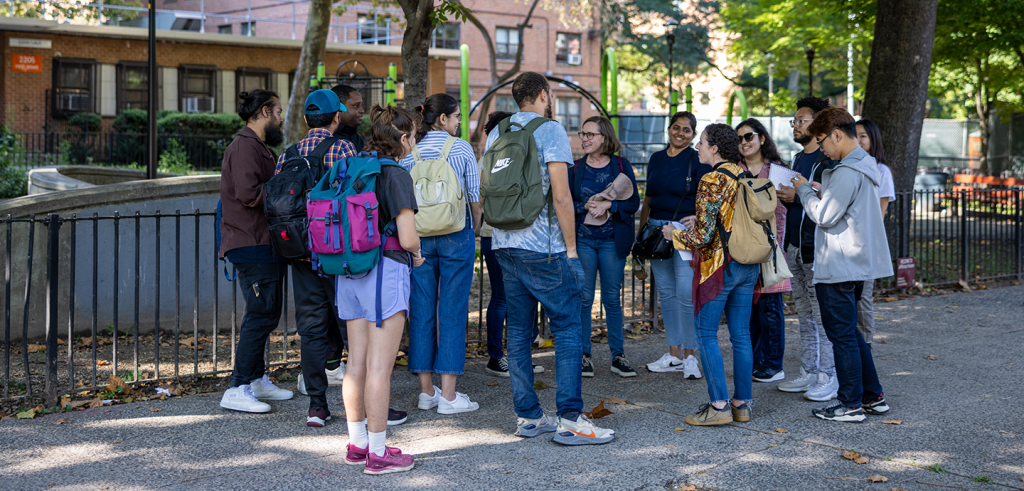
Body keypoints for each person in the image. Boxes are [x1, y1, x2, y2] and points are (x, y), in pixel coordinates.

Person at [486, 72, 615, 445]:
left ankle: (528, 417)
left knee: (520, 331)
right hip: (543, 246)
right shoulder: (551, 130)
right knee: (569, 327)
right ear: (543, 94)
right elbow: (561, 196)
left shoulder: (498, 132)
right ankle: (571, 419)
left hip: (504, 242)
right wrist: (572, 249)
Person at [337, 104, 425, 473]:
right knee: (379, 368)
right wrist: (418, 254)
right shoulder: (397, 175)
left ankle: (357, 444)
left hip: (349, 272)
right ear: (404, 138)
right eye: (414, 136)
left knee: (354, 365)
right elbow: (407, 238)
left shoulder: (353, 169)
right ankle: (378, 452)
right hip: (385, 272)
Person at [792, 106, 893, 423]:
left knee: (843, 336)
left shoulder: (847, 170)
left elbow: (824, 216)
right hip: (856, 261)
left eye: (822, 141)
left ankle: (849, 403)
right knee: (851, 333)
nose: (822, 148)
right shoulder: (863, 164)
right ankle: (872, 396)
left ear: (837, 134)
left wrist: (805, 191)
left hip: (839, 262)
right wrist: (825, 191)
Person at [276, 89, 358, 427]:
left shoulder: (288, 154)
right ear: (337, 117)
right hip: (336, 253)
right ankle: (363, 404)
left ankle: (317, 406)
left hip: (300, 253)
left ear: (307, 119)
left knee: (311, 328)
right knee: (352, 326)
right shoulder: (343, 148)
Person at [668, 124, 759, 426]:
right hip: (748, 263)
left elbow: (704, 236)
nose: (698, 146)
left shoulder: (712, 178)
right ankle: (742, 404)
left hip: (720, 267)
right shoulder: (745, 175)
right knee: (741, 335)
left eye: (702, 142)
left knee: (705, 333)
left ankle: (718, 405)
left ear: (715, 148)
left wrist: (674, 236)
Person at [400, 93, 485, 414]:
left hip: (419, 236)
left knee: (420, 309)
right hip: (454, 233)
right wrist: (473, 229)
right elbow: (475, 197)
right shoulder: (461, 148)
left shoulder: (412, 152)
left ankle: (426, 392)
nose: (460, 122)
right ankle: (449, 395)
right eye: (457, 116)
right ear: (444, 119)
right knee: (452, 310)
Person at [219, 89, 294, 413]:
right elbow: (249, 193)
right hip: (251, 243)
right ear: (264, 111)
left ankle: (255, 379)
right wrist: (287, 184)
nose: (280, 118)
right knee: (260, 314)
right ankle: (237, 387)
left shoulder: (255, 146)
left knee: (266, 313)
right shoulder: (245, 147)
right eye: (277, 111)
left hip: (262, 243)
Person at [775, 97, 839, 403]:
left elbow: (828, 201)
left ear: (817, 124)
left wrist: (797, 195)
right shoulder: (799, 158)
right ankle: (810, 370)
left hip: (818, 249)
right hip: (795, 246)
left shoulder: (828, 161)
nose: (796, 125)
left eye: (801, 120)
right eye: (795, 121)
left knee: (822, 313)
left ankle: (829, 375)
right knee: (804, 314)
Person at [570, 116, 640, 378]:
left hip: (612, 242)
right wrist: (585, 206)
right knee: (585, 299)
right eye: (583, 134)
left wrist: (611, 205)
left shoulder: (621, 165)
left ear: (604, 138)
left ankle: (618, 356)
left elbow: (633, 203)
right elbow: (565, 203)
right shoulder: (575, 168)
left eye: (590, 134)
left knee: (612, 299)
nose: (585, 138)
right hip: (584, 241)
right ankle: (584, 355)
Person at [640, 111, 708, 378]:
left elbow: (705, 199)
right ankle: (675, 353)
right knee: (666, 294)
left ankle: (691, 355)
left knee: (685, 293)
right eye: (676, 128)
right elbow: (648, 198)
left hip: (682, 233)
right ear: (669, 129)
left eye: (687, 130)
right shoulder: (656, 159)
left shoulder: (696, 159)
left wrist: (698, 222)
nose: (680, 133)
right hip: (657, 232)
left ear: (693, 134)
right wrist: (641, 234)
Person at [479, 111, 544, 377]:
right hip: (504, 234)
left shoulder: (491, 156)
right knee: (505, 298)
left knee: (510, 297)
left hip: (497, 233)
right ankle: (497, 357)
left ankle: (511, 357)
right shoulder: (509, 155)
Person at [735, 119, 791, 383]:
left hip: (770, 249)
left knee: (770, 309)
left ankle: (773, 364)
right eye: (739, 138)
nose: (744, 142)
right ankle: (755, 361)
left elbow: (783, 212)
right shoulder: (734, 171)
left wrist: (772, 244)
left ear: (762, 139)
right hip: (741, 249)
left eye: (749, 136)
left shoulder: (777, 172)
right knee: (747, 309)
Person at [855, 119, 895, 345]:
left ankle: (865, 342)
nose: (859, 140)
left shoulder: (881, 170)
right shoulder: (848, 166)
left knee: (864, 298)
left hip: (868, 241)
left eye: (864, 136)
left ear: (873, 140)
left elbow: (881, 211)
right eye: (856, 135)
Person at [331, 84, 367, 152]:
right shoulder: (328, 140)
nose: (362, 110)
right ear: (340, 106)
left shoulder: (360, 139)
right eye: (356, 105)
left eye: (361, 105)